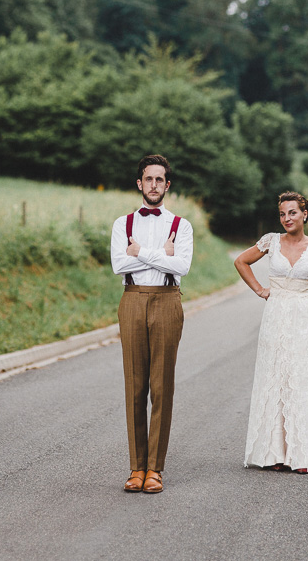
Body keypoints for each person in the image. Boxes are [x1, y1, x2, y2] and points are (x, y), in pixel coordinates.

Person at [234, 191, 308, 473]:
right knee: (274, 378)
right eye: (282, 214)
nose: (286, 218)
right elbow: (241, 261)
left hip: (304, 317)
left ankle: (301, 455)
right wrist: (260, 290)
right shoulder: (270, 242)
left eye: (292, 212)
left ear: (304, 215)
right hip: (274, 315)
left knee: (301, 378)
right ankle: (273, 454)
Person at [110, 154, 193, 494]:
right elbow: (118, 264)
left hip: (167, 299)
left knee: (161, 386)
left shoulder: (181, 225)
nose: (154, 185)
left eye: (160, 180)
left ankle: (155, 469)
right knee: (135, 386)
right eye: (149, 179)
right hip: (132, 298)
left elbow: (183, 266)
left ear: (167, 185)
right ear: (139, 183)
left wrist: (140, 251)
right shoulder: (122, 223)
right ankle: (136, 467)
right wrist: (162, 255)